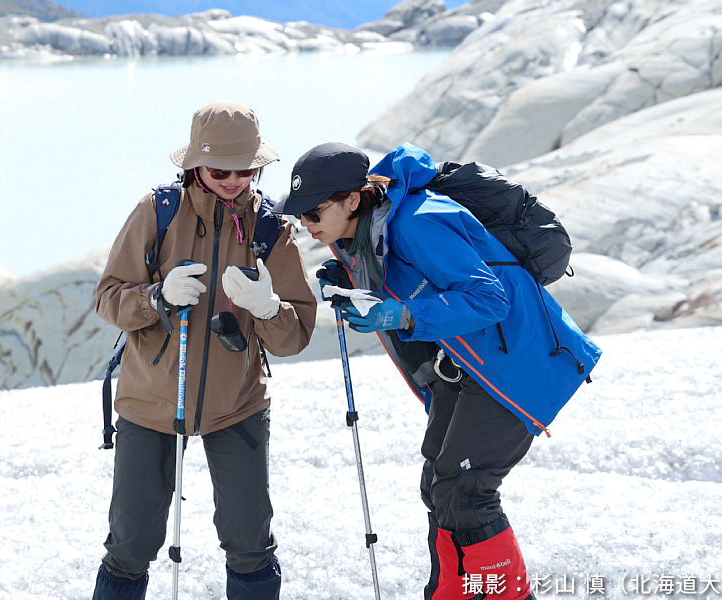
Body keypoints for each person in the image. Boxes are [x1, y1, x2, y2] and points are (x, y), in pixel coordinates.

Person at [273, 142, 601, 600]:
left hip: (513, 367)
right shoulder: (365, 226)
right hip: (465, 368)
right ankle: (450, 592)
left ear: (352, 199)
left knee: (465, 491)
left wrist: (402, 315)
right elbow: (406, 273)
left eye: (314, 213)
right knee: (439, 485)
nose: (307, 224)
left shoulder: (419, 221)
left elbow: (491, 299)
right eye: (300, 216)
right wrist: (344, 277)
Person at [92, 102, 316, 600]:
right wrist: (156, 297)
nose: (235, 180)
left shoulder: (271, 230)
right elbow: (108, 298)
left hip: (237, 405)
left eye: (247, 169)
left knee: (249, 543)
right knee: (130, 545)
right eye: (220, 170)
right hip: (149, 404)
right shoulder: (158, 212)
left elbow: (294, 336)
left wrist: (267, 307)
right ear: (195, 166)